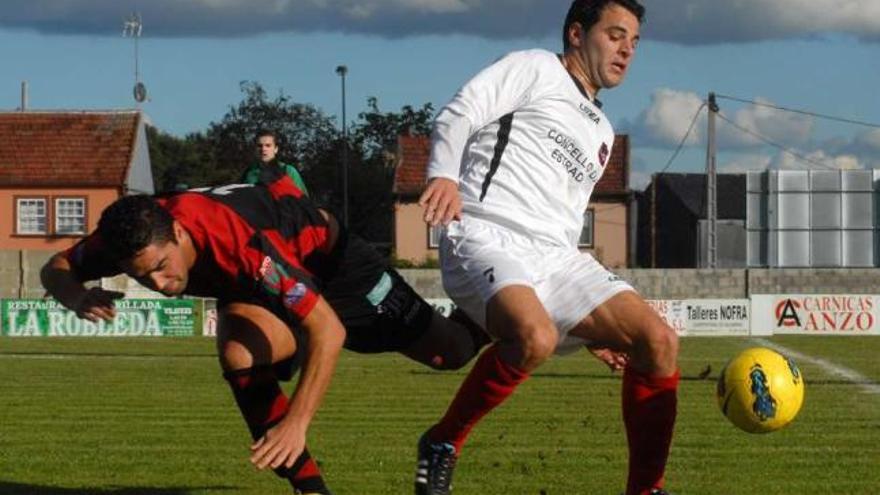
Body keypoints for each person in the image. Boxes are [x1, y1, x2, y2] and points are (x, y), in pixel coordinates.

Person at [41, 172, 488, 495]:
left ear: (178, 232)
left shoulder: (238, 244)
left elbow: (326, 330)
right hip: (265, 285)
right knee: (239, 353)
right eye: (141, 277)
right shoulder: (124, 237)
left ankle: (501, 302)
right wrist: (76, 297)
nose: (159, 284)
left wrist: (296, 423)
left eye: (161, 267)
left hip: (334, 266)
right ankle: (310, 490)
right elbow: (56, 267)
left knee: (451, 353)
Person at [415, 1, 679, 494]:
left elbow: (561, 224)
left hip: (558, 257)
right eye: (615, 34)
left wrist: (587, 318)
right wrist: (443, 175)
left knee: (658, 342)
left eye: (635, 42)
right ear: (577, 34)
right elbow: (461, 110)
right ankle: (443, 441)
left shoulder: (601, 132)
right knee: (535, 337)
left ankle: (647, 488)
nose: (627, 50)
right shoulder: (535, 68)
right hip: (486, 233)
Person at [241, 129, 310, 193]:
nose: (263, 149)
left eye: (268, 145)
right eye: (259, 146)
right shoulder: (248, 172)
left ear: (276, 149)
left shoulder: (288, 171)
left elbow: (303, 200)